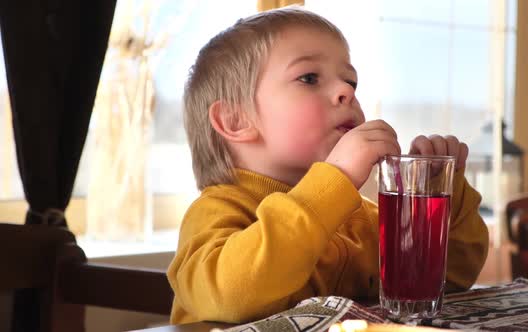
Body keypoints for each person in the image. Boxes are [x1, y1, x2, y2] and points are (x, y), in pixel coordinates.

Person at [167, 6, 489, 325]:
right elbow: (228, 294)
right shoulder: (216, 211)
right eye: (309, 78)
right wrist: (337, 178)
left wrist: (437, 197)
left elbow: (454, 275)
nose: (347, 91)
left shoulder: (360, 217)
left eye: (351, 81)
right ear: (234, 120)